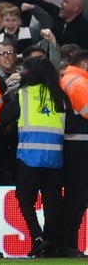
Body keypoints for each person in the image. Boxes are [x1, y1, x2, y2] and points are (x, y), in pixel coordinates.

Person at [0, 57, 71, 257]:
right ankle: (52, 243)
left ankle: (38, 238)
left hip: (29, 156)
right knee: (52, 203)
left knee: (24, 198)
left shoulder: (24, 94)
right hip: (55, 157)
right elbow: (71, 125)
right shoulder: (60, 96)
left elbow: (3, 117)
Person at [59, 49, 88, 257]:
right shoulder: (77, 82)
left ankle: (68, 243)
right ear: (84, 64)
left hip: (76, 144)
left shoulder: (71, 79)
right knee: (76, 197)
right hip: (79, 145)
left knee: (77, 197)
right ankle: (66, 243)